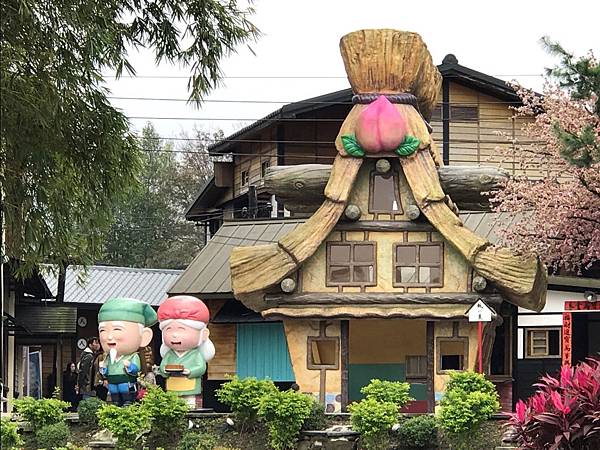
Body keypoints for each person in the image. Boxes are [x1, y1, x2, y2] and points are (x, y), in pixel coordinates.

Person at [157, 295, 215, 409]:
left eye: (181, 330)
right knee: (173, 405)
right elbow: (163, 366)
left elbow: (201, 367)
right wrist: (164, 370)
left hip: (189, 385)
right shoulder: (169, 354)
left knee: (189, 404)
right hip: (173, 385)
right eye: (169, 329)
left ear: (203, 334)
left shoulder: (195, 354)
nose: (174, 335)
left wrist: (190, 371)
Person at [97, 297, 158, 406]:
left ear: (144, 337)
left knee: (127, 398)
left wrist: (130, 366)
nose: (109, 337)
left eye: (117, 329)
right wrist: (103, 369)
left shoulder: (133, 356)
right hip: (112, 382)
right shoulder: (108, 357)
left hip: (127, 382)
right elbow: (105, 372)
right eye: (103, 330)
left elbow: (136, 370)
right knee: (114, 398)